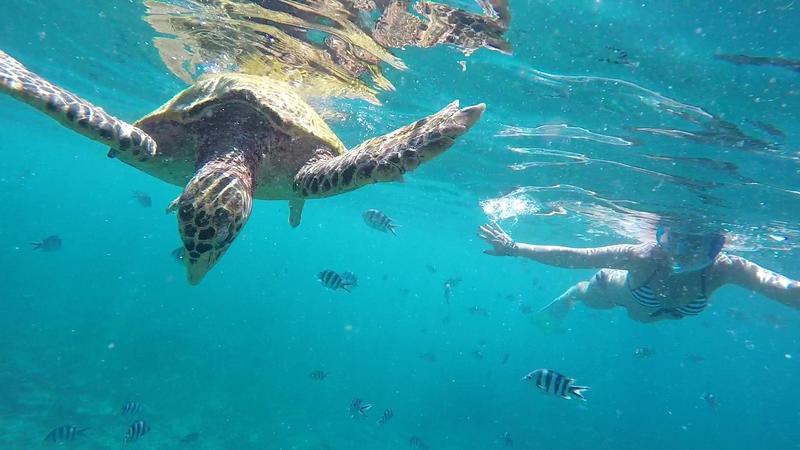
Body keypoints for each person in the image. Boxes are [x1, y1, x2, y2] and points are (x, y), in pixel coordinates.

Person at [478, 222, 800, 322]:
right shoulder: (643, 255)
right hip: (608, 291)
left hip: (650, 315)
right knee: (585, 295)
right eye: (676, 238)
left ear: (716, 245)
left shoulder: (728, 269)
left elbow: (786, 291)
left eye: (696, 243)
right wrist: (514, 248)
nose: (682, 250)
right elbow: (576, 256)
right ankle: (572, 293)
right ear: (663, 235)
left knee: (642, 319)